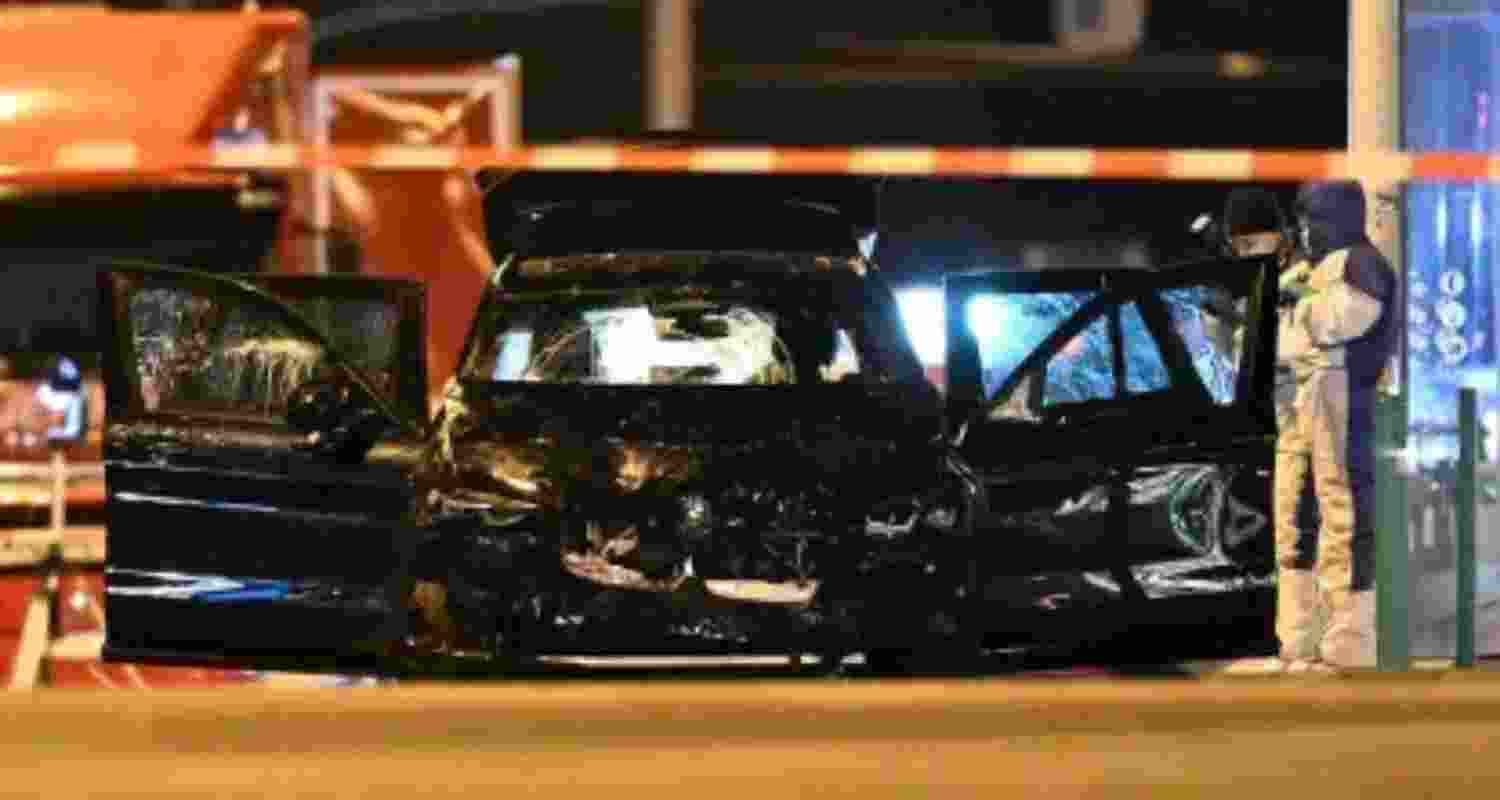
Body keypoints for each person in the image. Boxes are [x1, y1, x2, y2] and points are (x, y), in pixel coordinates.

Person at [1269, 180, 1399, 672]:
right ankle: (1299, 636)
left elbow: (1336, 321)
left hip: (1339, 387)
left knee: (1342, 512)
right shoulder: (1317, 265)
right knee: (1294, 516)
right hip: (1305, 392)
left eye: (1315, 220)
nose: (1307, 231)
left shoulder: (1361, 262)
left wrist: (1295, 305)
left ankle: (1350, 638)